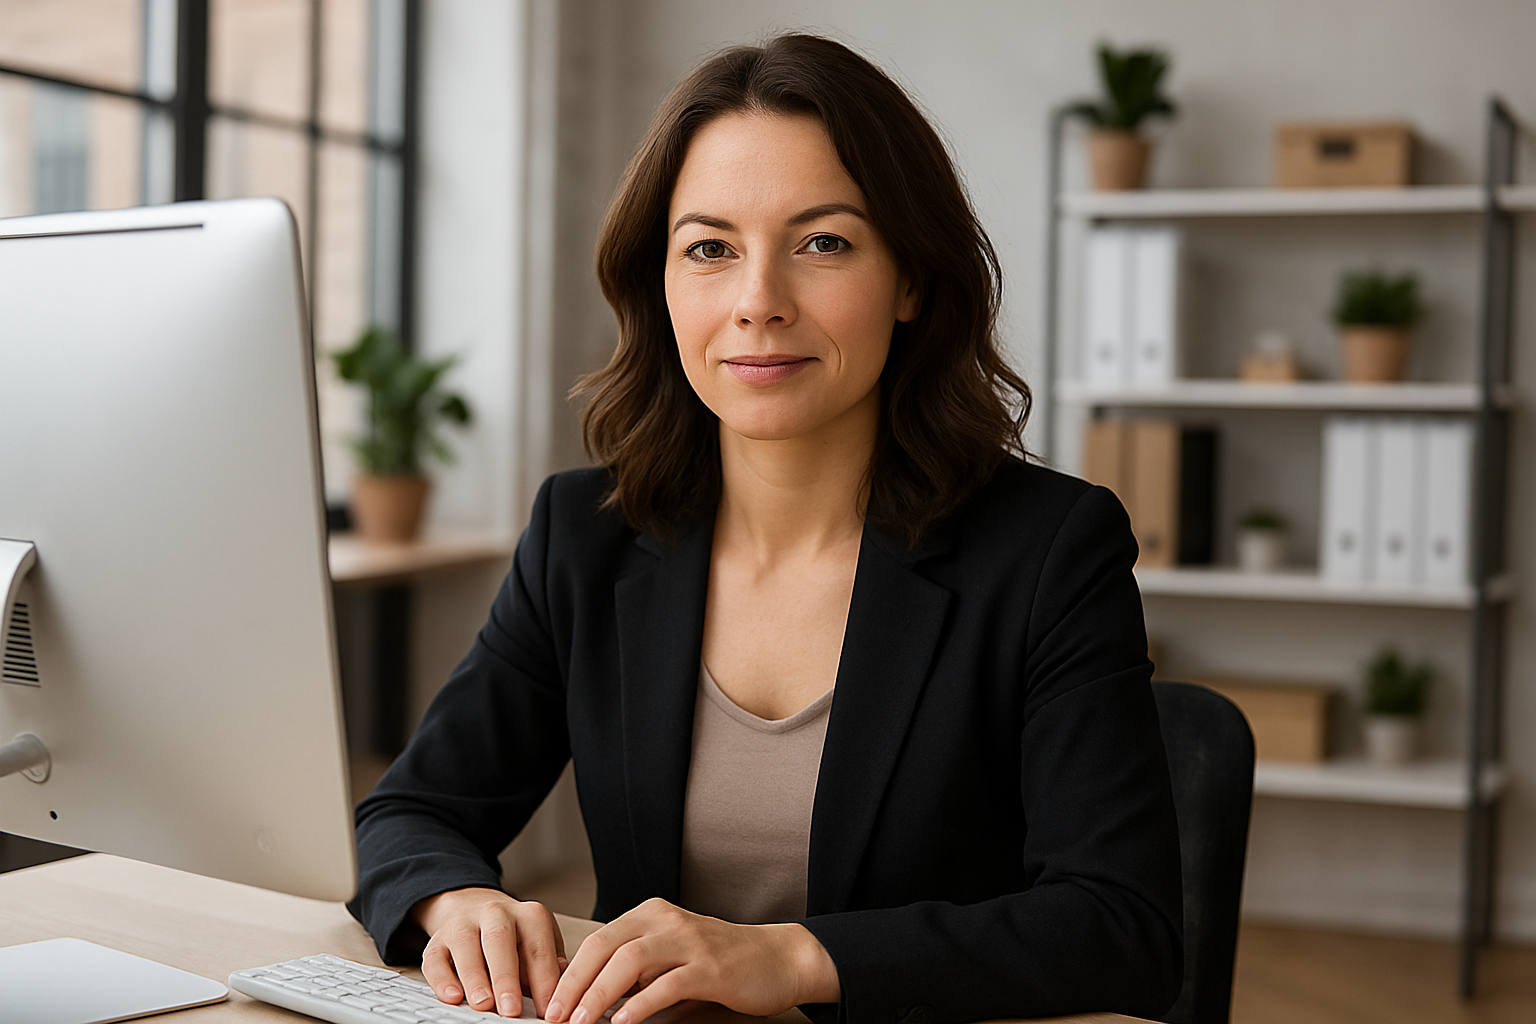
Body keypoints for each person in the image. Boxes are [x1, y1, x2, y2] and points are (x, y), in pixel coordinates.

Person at [349, 33, 1182, 1024]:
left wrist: (791, 958)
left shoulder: (1051, 550)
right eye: (710, 248)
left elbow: (1120, 928)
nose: (757, 303)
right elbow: (410, 812)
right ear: (659, 284)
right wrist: (455, 899)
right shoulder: (584, 534)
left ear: (911, 278)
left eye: (823, 243)